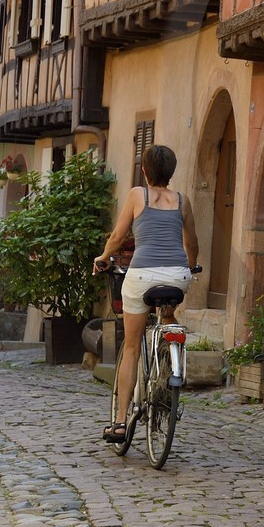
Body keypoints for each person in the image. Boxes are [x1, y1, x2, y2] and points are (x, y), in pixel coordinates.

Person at [94, 143, 199, 442]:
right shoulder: (183, 201)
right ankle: (168, 352)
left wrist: (103, 258)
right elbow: (192, 243)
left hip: (141, 276)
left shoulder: (136, 194)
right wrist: (190, 267)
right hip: (177, 276)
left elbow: (118, 236)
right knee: (169, 311)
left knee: (130, 347)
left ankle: (119, 422)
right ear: (172, 172)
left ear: (144, 170)